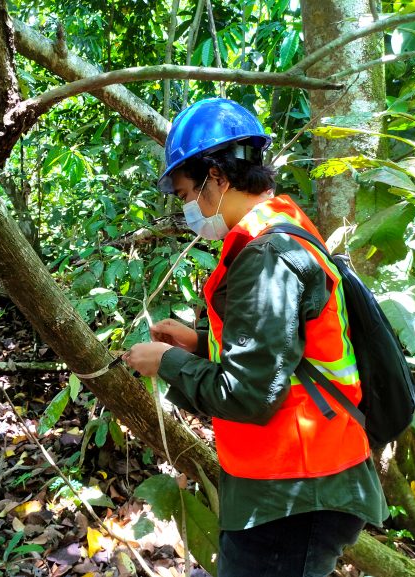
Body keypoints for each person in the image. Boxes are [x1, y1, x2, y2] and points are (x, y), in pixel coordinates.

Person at [122, 98, 388, 577]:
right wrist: (198, 345)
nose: (188, 209)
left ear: (217, 179)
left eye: (187, 194)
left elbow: (249, 393)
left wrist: (166, 363)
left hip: (296, 489)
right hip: (286, 483)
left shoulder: (269, 256)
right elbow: (282, 352)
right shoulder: (279, 233)